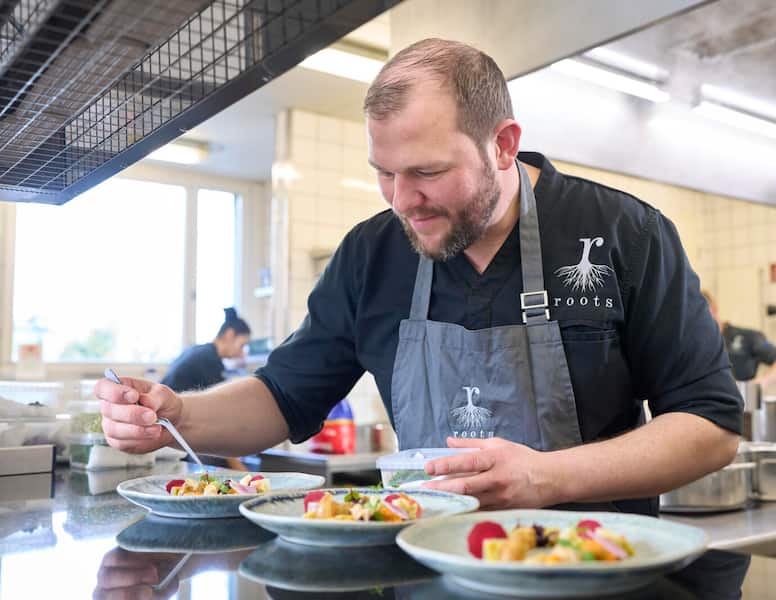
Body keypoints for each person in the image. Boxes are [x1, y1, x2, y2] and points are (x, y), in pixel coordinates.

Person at [96, 39, 742, 515]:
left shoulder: (626, 233)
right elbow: (283, 398)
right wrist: (181, 413)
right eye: (385, 172)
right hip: (421, 570)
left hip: (595, 573)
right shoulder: (370, 256)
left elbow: (709, 426)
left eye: (428, 173)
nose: (402, 200)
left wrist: (550, 478)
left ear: (504, 144)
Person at [702, 291, 776, 387]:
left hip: (743, 399)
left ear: (713, 309)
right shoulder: (696, 345)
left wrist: (754, 386)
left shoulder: (747, 337)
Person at [160, 307, 251, 393]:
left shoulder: (199, 351)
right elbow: (220, 399)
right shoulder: (210, 359)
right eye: (242, 345)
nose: (242, 353)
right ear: (230, 334)